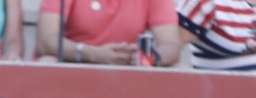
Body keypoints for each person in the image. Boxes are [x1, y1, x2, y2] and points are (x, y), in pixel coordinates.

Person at [34, 0, 179, 67]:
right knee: (46, 63)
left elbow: (171, 44)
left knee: (181, 70)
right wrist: (94, 54)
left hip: (128, 68)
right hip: (74, 63)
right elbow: (46, 40)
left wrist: (148, 59)